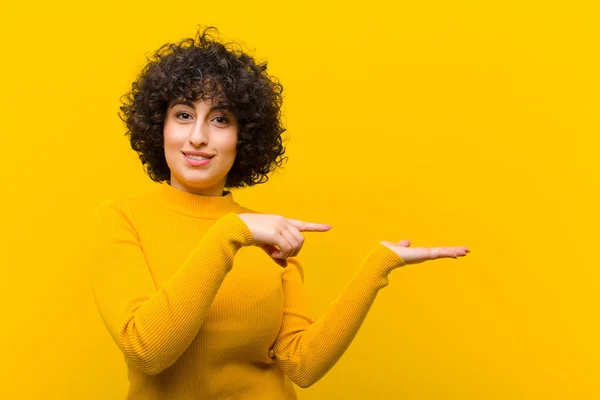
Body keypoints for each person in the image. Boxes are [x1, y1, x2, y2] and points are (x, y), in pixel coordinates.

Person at [88, 25, 470, 400]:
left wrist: (376, 268)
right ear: (159, 125)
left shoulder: (267, 234)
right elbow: (147, 350)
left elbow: (302, 365)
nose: (199, 136)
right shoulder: (123, 219)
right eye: (184, 115)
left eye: (221, 119)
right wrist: (228, 233)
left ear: (244, 137)